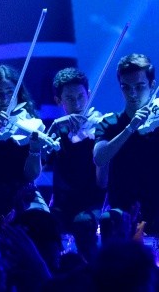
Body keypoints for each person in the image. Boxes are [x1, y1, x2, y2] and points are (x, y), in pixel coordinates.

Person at [93, 53, 159, 263]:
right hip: (124, 204)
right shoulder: (109, 123)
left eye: (139, 86)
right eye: (126, 87)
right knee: (109, 219)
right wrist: (130, 127)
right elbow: (99, 158)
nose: (133, 93)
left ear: (152, 85)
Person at [46, 67, 107, 260]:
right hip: (62, 205)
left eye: (81, 96)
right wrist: (55, 126)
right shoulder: (58, 129)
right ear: (59, 101)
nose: (78, 104)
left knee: (83, 222)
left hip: (94, 203)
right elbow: (42, 160)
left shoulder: (101, 126)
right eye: (70, 99)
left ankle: (91, 271)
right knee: (44, 224)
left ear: (88, 94)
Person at [0, 65, 47, 226]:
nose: (5, 100)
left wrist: (35, 149)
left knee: (43, 224)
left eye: (10, 92)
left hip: (22, 193)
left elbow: (30, 175)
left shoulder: (30, 123)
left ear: (18, 94)